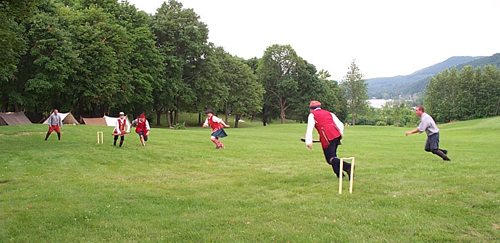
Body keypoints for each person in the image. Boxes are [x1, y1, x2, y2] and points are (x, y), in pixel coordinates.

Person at [305, 101, 354, 178]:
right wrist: (340, 135)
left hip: (327, 136)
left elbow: (309, 128)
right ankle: (340, 175)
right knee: (333, 156)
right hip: (336, 134)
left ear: (311, 109)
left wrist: (308, 142)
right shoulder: (329, 113)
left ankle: (347, 166)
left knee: (330, 159)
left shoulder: (312, 115)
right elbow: (340, 124)